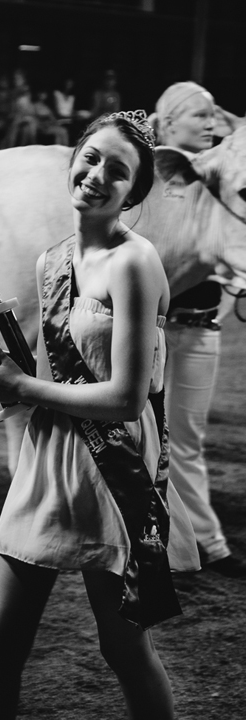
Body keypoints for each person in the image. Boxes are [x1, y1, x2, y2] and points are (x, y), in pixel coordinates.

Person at [0, 111, 199, 720]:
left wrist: (24, 384)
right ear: (73, 160)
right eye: (90, 159)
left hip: (113, 465)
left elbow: (126, 396)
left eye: (116, 173)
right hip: (48, 459)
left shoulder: (135, 263)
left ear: (132, 194)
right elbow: (48, 384)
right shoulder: (52, 260)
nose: (96, 177)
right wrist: (0, 366)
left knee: (122, 648)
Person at [150, 81, 246, 578]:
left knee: (184, 439)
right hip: (157, 329)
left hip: (203, 327)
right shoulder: (149, 182)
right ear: (166, 124)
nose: (211, 124)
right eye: (198, 116)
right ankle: (186, 544)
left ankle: (201, 542)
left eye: (214, 117)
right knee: (151, 438)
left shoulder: (227, 176)